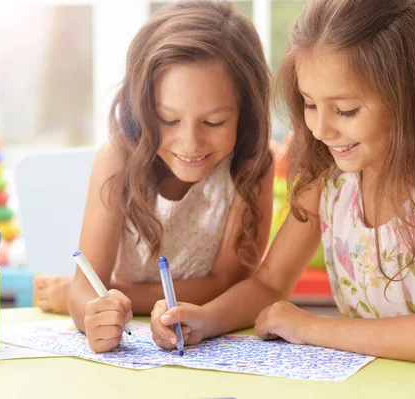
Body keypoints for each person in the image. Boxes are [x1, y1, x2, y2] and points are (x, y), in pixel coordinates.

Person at [150, 0, 415, 374]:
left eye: (345, 110)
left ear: (413, 99)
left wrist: (309, 326)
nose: (320, 129)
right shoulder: (329, 178)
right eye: (310, 104)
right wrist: (203, 319)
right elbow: (269, 283)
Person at [35, 0, 274, 353]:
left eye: (214, 122)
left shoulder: (251, 166)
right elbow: (87, 288)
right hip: (132, 345)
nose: (190, 143)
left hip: (202, 334)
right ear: (142, 107)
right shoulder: (118, 158)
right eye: (168, 119)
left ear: (246, 112)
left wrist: (116, 296)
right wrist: (92, 313)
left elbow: (228, 284)